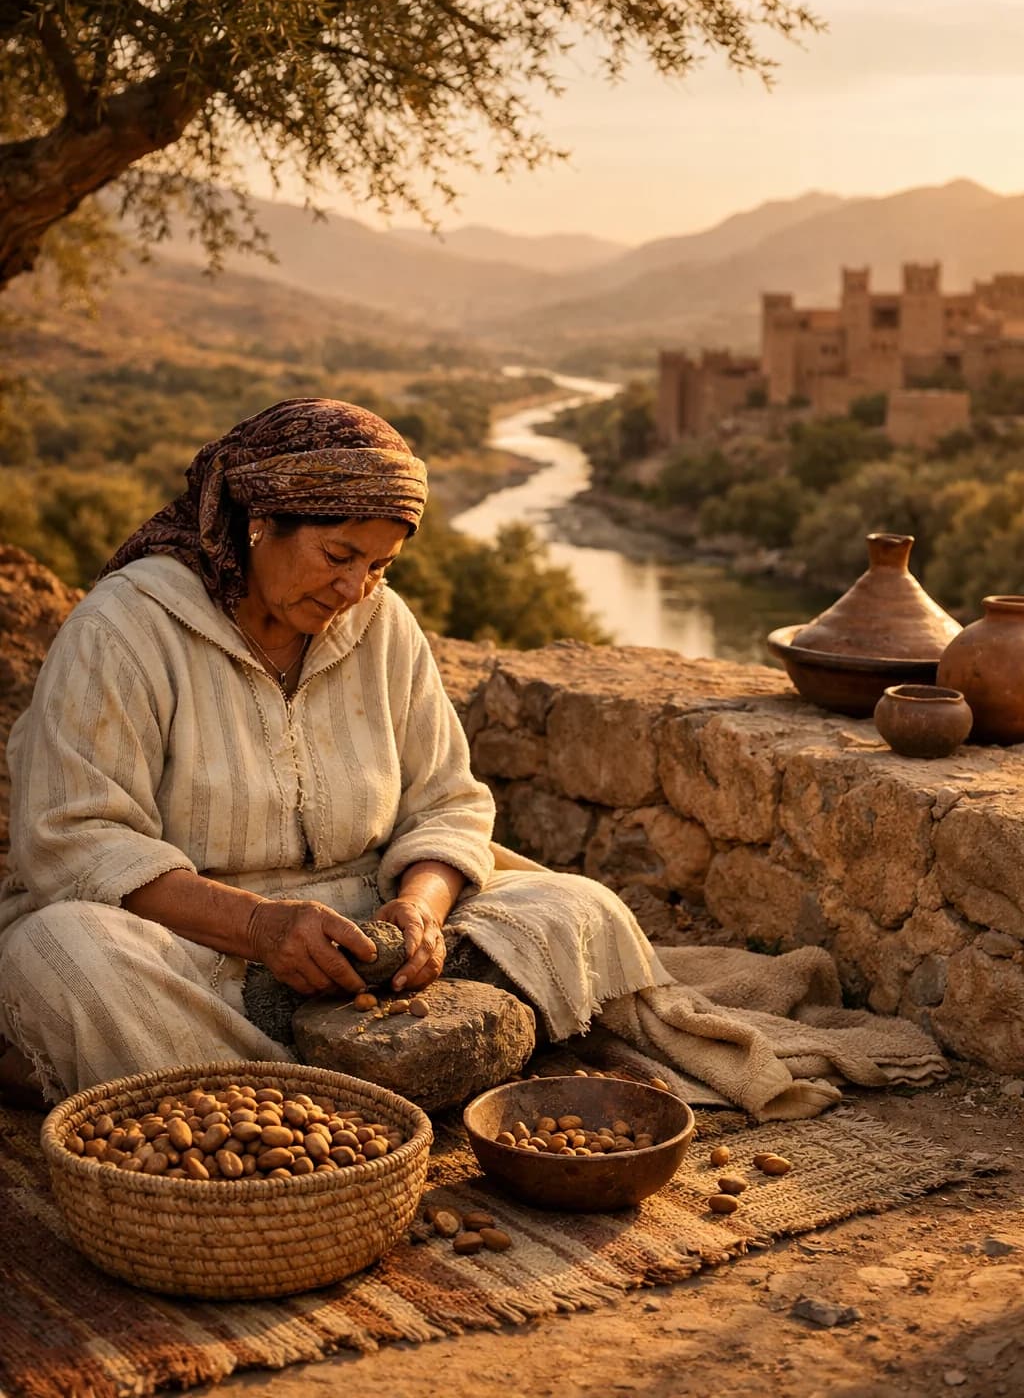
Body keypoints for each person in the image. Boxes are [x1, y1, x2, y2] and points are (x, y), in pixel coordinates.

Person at [0, 398, 663, 1100]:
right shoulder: (125, 628)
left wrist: (420, 912)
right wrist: (259, 928)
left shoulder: (382, 623)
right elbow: (74, 840)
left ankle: (274, 1079)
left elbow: (448, 801)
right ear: (260, 521)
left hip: (361, 926)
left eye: (379, 565)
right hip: (195, 944)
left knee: (577, 909)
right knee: (67, 956)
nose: (356, 590)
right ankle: (325, 1093)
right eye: (339, 555)